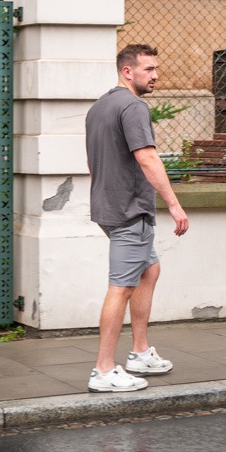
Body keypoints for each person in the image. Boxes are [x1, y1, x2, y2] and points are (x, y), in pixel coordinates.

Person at [82, 43, 190, 393]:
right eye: (148, 69)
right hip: (129, 209)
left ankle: (140, 352)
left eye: (156, 69)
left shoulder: (100, 106)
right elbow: (147, 158)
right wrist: (173, 203)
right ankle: (103, 370)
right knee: (121, 286)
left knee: (149, 268)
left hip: (108, 206)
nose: (155, 75)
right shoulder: (133, 106)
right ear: (127, 71)